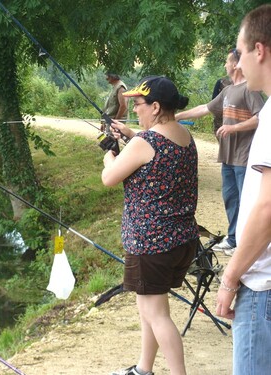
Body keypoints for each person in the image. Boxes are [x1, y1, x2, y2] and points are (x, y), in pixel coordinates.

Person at [102, 76, 198, 375]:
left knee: (156, 314)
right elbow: (155, 153)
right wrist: (130, 134)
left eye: (138, 104)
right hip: (181, 239)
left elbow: (109, 178)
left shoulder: (146, 142)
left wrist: (109, 156)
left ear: (155, 107)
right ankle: (144, 369)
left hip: (151, 243)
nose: (134, 109)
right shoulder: (183, 136)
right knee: (150, 308)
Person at [216, 4, 271, 375]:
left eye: (241, 49)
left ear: (260, 50)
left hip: (261, 287)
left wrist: (230, 277)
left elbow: (267, 209)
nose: (238, 60)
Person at [175, 50, 264, 255]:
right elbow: (203, 109)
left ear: (236, 64)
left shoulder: (250, 90)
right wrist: (176, 117)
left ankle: (245, 245)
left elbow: (261, 117)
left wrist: (233, 128)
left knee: (245, 201)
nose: (225, 65)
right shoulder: (227, 91)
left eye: (227, 61)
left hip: (244, 157)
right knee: (230, 198)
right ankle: (233, 239)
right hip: (228, 157)